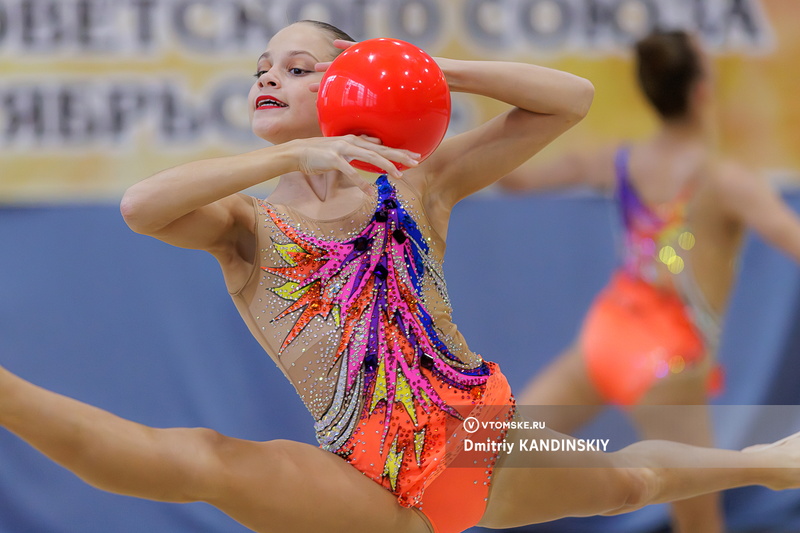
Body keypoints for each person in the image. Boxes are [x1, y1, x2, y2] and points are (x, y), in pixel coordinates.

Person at [1, 20, 800, 533]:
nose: (269, 76)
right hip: (355, 467)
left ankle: (772, 459)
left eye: (300, 65)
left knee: (631, 481)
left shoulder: (416, 183)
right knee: (202, 460)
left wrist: (425, 66)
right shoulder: (245, 224)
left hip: (470, 435)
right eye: (261, 67)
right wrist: (287, 155)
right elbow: (141, 206)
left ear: (349, 84)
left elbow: (570, 100)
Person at [499, 29, 800, 533]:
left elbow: (515, 179)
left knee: (494, 450)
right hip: (666, 362)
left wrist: (521, 103)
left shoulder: (619, 160)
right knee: (699, 520)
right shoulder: (726, 181)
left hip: (606, 339)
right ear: (703, 88)